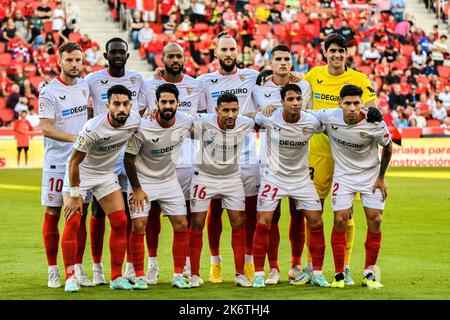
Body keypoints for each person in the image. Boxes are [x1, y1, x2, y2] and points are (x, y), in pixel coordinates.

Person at [291, 33, 380, 286]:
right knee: (313, 211)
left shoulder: (359, 79)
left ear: (346, 54)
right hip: (319, 151)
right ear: (325, 52)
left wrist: (374, 112)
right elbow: (297, 95)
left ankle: (346, 268)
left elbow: (372, 108)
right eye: (333, 51)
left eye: (341, 51)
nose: (337, 55)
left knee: (346, 214)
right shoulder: (314, 75)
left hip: (350, 157)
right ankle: (310, 267)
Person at [138, 43, 205, 284]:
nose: (175, 59)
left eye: (179, 55)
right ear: (162, 58)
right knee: (150, 214)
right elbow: (143, 116)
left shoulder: (197, 85)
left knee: (185, 216)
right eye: (170, 56)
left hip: (187, 160)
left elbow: (203, 120)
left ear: (185, 58)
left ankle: (184, 265)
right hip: (155, 163)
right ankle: (152, 264)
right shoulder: (148, 85)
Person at [63, 85, 141, 292]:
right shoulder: (92, 128)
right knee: (73, 221)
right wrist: (74, 194)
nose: (121, 108)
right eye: (116, 104)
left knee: (120, 220)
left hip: (105, 175)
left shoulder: (134, 121)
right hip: (81, 173)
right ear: (108, 106)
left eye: (125, 104)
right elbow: (73, 162)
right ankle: (71, 276)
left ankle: (116, 277)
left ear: (130, 105)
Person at [249, 83, 328, 288]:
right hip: (273, 177)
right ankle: (259, 274)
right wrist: (266, 108)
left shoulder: (312, 120)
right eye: (290, 99)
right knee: (263, 223)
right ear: (282, 102)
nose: (295, 103)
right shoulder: (268, 117)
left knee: (316, 221)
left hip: (301, 179)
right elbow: (251, 117)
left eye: (298, 99)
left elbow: (333, 118)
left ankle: (317, 272)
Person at [314, 84, 392, 289]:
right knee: (340, 219)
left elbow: (388, 147)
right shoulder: (328, 116)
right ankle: (339, 274)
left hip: (370, 176)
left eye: (356, 103)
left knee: (375, 219)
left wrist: (381, 178)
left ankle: (369, 273)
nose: (352, 108)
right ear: (339, 103)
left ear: (361, 104)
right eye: (347, 103)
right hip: (344, 176)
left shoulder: (374, 122)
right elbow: (301, 114)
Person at [196, 34, 260, 284]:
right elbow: (199, 113)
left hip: (247, 155)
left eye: (232, 49)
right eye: (223, 49)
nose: (228, 53)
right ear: (215, 53)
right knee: (214, 210)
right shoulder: (204, 82)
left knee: (248, 214)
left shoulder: (253, 76)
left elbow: (276, 86)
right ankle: (215, 263)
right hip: (215, 156)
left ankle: (248, 262)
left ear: (238, 51)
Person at [84, 37, 145, 285]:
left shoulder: (137, 80)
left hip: (129, 152)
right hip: (102, 154)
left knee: (129, 212)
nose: (118, 55)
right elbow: (78, 96)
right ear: (106, 55)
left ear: (127, 56)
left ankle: (130, 267)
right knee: (98, 210)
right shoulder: (93, 80)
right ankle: (97, 267)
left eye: (122, 52)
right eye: (114, 52)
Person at [253, 45, 313, 285]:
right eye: (277, 59)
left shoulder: (304, 85)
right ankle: (273, 268)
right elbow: (256, 115)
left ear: (292, 61)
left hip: (299, 163)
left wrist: (274, 107)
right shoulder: (260, 87)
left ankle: (296, 265)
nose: (282, 63)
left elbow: (301, 110)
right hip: (270, 164)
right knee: (271, 216)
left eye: (287, 59)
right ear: (270, 62)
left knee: (298, 215)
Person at [125, 83, 192, 290]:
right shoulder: (143, 126)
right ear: (156, 103)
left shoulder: (186, 121)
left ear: (178, 103)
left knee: (181, 224)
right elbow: (128, 159)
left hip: (169, 180)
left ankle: (179, 275)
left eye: (172, 102)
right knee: (139, 225)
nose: (168, 105)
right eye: (164, 102)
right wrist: (136, 189)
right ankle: (139, 276)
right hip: (142, 182)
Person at [38, 42, 92, 289]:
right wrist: (76, 139)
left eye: (78, 60)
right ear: (59, 61)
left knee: (79, 215)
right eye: (69, 60)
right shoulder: (48, 91)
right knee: (53, 213)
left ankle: (77, 269)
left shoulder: (84, 86)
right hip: (57, 164)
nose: (74, 65)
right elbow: (46, 127)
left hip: (81, 164)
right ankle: (53, 271)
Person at [188, 92, 254, 287]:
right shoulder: (203, 121)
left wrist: (270, 109)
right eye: (225, 110)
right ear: (216, 110)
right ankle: (194, 274)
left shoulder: (245, 123)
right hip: (204, 177)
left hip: (232, 178)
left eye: (234, 110)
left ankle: (240, 274)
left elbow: (261, 119)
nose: (231, 114)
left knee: (239, 223)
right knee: (197, 222)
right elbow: (180, 119)